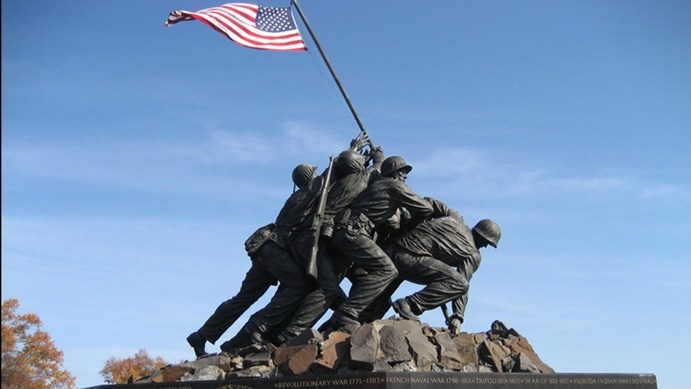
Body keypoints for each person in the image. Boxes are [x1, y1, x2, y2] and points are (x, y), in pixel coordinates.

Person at [185, 163, 323, 357]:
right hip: (274, 250)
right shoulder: (303, 195)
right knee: (300, 285)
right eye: (314, 173)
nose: (317, 175)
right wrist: (355, 150)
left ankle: (201, 336)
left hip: (267, 248)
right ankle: (259, 326)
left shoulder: (302, 195)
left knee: (243, 298)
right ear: (309, 176)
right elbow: (325, 180)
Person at [273, 139, 385, 344]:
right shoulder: (357, 180)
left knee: (328, 286)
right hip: (318, 240)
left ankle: (341, 321)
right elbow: (375, 169)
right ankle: (290, 334)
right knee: (328, 287)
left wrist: (355, 150)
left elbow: (339, 167)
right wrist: (377, 157)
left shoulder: (334, 185)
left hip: (318, 239)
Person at [324, 155, 434, 333]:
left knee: (365, 277)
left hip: (347, 230)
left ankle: (334, 324)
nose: (405, 175)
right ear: (394, 173)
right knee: (387, 271)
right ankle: (346, 313)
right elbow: (426, 208)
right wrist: (411, 222)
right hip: (353, 231)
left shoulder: (379, 184)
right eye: (402, 171)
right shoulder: (394, 185)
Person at [373, 208, 501, 334]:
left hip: (391, 249)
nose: (484, 246)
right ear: (482, 237)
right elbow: (462, 284)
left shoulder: (454, 218)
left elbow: (428, 203)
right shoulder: (472, 253)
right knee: (460, 283)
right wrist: (458, 316)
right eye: (486, 243)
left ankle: (362, 323)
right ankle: (409, 304)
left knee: (377, 303)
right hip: (410, 259)